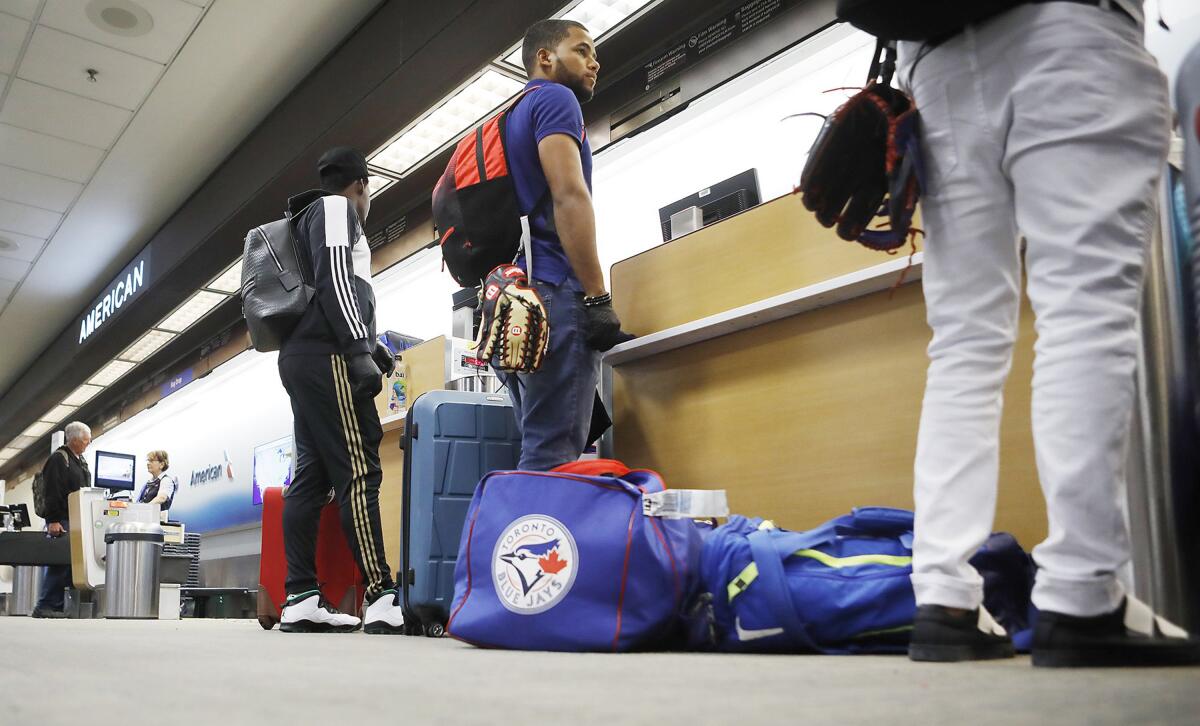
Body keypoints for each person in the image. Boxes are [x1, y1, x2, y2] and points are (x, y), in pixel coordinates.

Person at [899, 0, 1200, 666]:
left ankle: (943, 599)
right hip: (1069, 30)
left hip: (933, 58)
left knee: (963, 342)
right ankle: (1082, 592)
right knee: (1083, 308)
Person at [275, 146, 404, 634]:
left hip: (304, 356)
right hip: (328, 356)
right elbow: (336, 278)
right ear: (361, 186)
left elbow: (332, 291)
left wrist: (372, 347)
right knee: (358, 470)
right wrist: (355, 349)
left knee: (311, 478)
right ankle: (382, 596)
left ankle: (301, 597)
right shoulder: (335, 209)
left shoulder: (309, 217)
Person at [496, 18, 631, 471]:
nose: (595, 61)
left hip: (515, 303)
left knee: (537, 449)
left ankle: (523, 540)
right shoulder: (555, 98)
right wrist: (598, 298)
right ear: (546, 58)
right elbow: (568, 195)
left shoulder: (512, 116)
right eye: (583, 50)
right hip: (554, 292)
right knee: (553, 459)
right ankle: (535, 544)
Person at [32, 421, 91, 618]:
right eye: (85, 441)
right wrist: (53, 521)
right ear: (73, 440)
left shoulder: (78, 460)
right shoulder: (59, 459)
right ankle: (45, 605)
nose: (87, 444)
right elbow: (52, 492)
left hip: (75, 520)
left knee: (67, 565)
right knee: (59, 564)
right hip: (62, 520)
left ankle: (57, 605)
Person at [136, 450, 178, 522]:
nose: (148, 463)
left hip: (157, 523)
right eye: (148, 461)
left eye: (151, 461)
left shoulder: (166, 480)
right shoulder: (148, 483)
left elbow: (161, 498)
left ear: (161, 464)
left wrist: (144, 509)